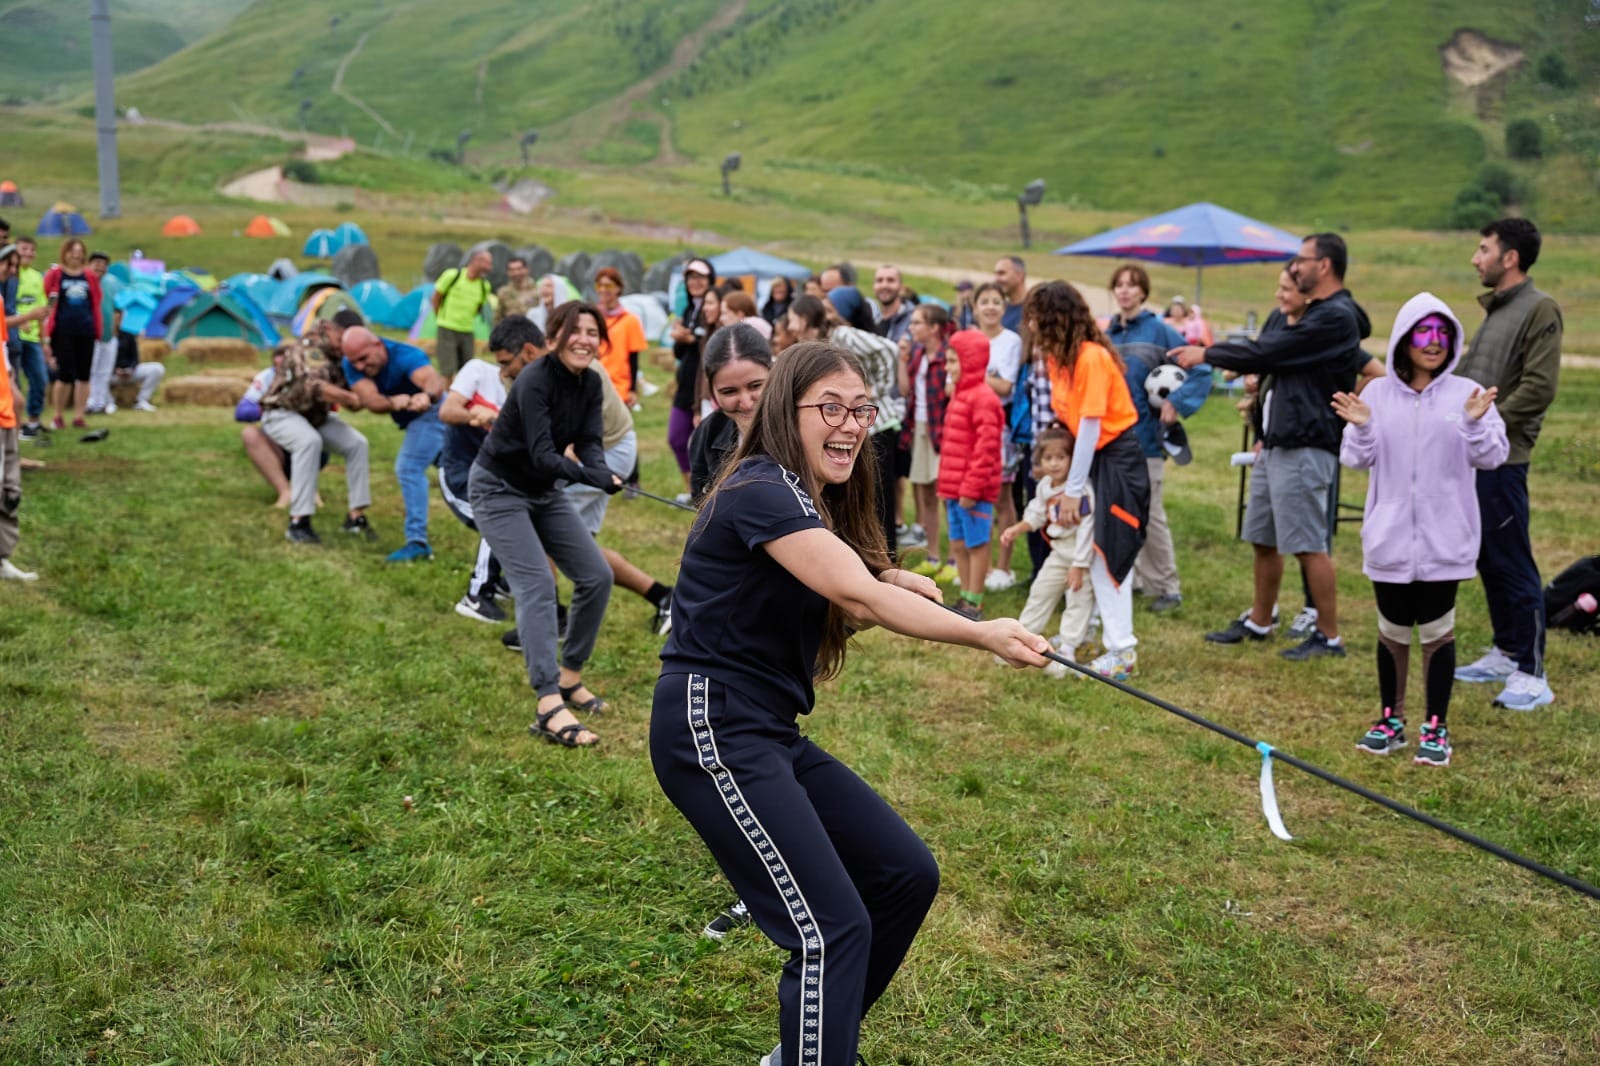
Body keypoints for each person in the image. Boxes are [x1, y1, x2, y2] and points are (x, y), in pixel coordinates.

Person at [650, 340, 1049, 1066]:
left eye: (861, 409)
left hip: (763, 729)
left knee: (903, 875)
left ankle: (808, 1048)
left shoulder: (803, 498)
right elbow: (852, 591)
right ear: (786, 409)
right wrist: (982, 631)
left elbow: (851, 586)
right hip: (710, 724)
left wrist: (890, 580)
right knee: (831, 930)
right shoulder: (761, 487)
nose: (850, 424)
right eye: (829, 407)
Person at [1177, 233, 1369, 661]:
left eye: (1302, 260)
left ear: (1323, 266)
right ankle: (1260, 621)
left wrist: (1207, 353)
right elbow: (1274, 357)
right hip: (1276, 445)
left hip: (1307, 445)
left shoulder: (1335, 318)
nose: (1294, 266)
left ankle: (1329, 636)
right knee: (1263, 537)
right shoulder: (1303, 316)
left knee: (1307, 542)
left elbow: (1271, 351)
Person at [1336, 294, 1508, 766]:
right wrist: (1365, 428)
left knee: (1437, 631)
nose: (1433, 342)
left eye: (1442, 333)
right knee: (1392, 629)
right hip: (1389, 537)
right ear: (1403, 339)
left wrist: (1474, 425)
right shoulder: (1376, 394)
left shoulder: (1466, 394)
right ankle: (1390, 720)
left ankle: (1436, 727)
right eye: (1422, 332)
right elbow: (1353, 458)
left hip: (1445, 538)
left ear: (1452, 339)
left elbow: (1492, 456)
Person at [469, 301, 622, 749]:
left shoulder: (591, 382)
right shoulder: (534, 379)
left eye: (593, 332)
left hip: (544, 491)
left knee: (596, 576)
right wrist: (589, 474)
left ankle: (569, 675)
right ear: (554, 337)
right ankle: (547, 702)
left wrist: (602, 469)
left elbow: (590, 442)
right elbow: (541, 454)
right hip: (498, 488)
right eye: (575, 330)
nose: (584, 339)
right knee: (536, 584)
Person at [1452, 218, 1563, 711]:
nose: (1476, 259)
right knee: (1487, 556)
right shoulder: (1497, 310)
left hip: (1504, 456)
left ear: (1509, 257)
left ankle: (1532, 674)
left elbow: (1538, 388)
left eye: (1483, 249)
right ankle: (1505, 650)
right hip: (1475, 456)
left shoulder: (1540, 309)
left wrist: (1486, 424)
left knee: (1513, 561)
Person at [1031, 280, 1150, 680]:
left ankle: (1123, 651)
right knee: (1095, 549)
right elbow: (1068, 424)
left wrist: (1073, 491)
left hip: (1116, 458)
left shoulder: (1092, 357)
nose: (1031, 324)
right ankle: (1100, 633)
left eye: (1037, 317)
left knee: (1107, 550)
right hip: (1091, 458)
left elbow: (1090, 427)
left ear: (1056, 320)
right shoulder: (1057, 358)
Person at [1105, 263, 1211, 613]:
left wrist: (1176, 403)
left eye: (1132, 285)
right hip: (1112, 442)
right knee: (1121, 513)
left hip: (1146, 442)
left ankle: (1167, 587)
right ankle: (1132, 579)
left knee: (1150, 515)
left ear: (1143, 292)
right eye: (1119, 285)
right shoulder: (1109, 335)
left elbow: (1201, 369)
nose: (1124, 291)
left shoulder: (1160, 331)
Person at [439, 318, 544, 623]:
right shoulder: (477, 371)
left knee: (523, 521)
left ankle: (500, 583)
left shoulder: (529, 390)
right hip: (460, 476)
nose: (503, 371)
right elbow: (447, 410)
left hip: (499, 479)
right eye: (499, 363)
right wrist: (477, 415)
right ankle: (476, 595)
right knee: (498, 522)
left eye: (507, 363)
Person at [789, 293, 905, 561]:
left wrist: (873, 390)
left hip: (874, 427)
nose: (790, 325)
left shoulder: (841, 336)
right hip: (844, 428)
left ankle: (884, 563)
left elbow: (889, 349)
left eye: (793, 319)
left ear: (805, 318)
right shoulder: (813, 346)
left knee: (877, 503)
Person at [341, 326, 450, 562]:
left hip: (433, 412)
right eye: (354, 362)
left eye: (363, 359)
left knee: (409, 467)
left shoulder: (406, 355)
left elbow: (433, 381)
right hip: (413, 420)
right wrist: (391, 402)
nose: (359, 367)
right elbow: (370, 400)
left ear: (378, 345)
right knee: (455, 470)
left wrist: (426, 396)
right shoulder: (350, 364)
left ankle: (417, 542)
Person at [1000, 426, 1097, 676]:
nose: (1054, 464)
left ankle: (1067, 651)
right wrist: (1017, 529)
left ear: (1072, 459)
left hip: (1080, 556)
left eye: (1061, 458)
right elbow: (1036, 512)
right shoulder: (1045, 486)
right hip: (1059, 553)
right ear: (1040, 461)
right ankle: (1020, 641)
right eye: (1048, 458)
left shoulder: (1081, 489)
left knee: (1078, 600)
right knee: (1040, 591)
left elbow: (1088, 527)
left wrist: (1079, 565)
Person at [260, 338, 374, 545]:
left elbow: (358, 399)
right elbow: (316, 386)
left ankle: (356, 517)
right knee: (308, 441)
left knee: (357, 444)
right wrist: (350, 398)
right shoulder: (311, 349)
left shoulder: (345, 358)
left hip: (316, 417)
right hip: (281, 413)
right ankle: (299, 522)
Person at [936, 330, 1004, 617]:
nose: (947, 368)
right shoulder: (961, 394)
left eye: (953, 361)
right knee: (958, 543)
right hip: (954, 488)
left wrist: (971, 489)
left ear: (972, 361)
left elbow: (986, 449)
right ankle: (964, 596)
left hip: (972, 491)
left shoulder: (984, 398)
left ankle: (974, 601)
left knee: (977, 544)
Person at [969, 281, 1026, 592]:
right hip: (969, 426)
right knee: (975, 496)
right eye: (984, 301)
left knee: (1002, 497)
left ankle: (1003, 567)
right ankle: (983, 564)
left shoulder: (1011, 341)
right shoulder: (966, 338)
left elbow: (1005, 387)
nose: (990, 307)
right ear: (975, 307)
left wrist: (974, 377)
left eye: (996, 301)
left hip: (998, 425)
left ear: (1004, 308)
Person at [897, 303, 954, 582]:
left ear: (933, 328)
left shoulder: (947, 357)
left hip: (941, 431)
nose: (912, 327)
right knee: (926, 493)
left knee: (947, 497)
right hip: (919, 428)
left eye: (917, 323)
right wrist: (902, 360)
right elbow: (906, 391)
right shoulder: (918, 354)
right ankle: (933, 556)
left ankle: (954, 560)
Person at [687, 323, 772, 502]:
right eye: (729, 392)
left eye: (756, 386)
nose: (746, 403)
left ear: (774, 373)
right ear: (711, 390)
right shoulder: (707, 433)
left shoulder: (805, 426)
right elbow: (700, 500)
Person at [0, 244, 36, 581]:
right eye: (6, 265)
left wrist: (11, 383)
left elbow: (2, 350)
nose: (11, 272)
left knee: (9, 488)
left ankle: (2, 559)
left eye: (13, 266)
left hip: (5, 411)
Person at [41, 237, 102, 430]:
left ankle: (79, 415)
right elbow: (49, 299)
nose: (76, 256)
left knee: (84, 374)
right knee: (65, 374)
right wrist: (47, 332)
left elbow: (96, 301)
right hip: (63, 331)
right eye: (72, 252)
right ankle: (58, 415)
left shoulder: (89, 276)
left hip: (86, 330)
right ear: (65, 253)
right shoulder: (55, 274)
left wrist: (96, 329)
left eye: (79, 253)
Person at [667, 257, 717, 493]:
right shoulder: (688, 309)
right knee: (676, 438)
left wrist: (691, 339)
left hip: (704, 388)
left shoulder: (712, 310)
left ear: (710, 279)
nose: (695, 282)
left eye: (700, 277)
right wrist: (680, 339)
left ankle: (704, 491)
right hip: (685, 385)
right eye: (691, 277)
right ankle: (692, 491)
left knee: (704, 444)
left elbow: (711, 347)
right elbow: (680, 352)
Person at [431, 249, 494, 377]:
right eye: (487, 263)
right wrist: (441, 318)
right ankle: (445, 396)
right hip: (447, 328)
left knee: (466, 369)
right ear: (476, 261)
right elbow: (436, 298)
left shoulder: (484, 286)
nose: (489, 268)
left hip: (467, 330)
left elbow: (479, 307)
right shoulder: (452, 276)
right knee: (447, 370)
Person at [592, 267, 648, 405]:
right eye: (600, 285)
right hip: (592, 383)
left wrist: (633, 390)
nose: (603, 289)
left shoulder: (630, 320)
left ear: (618, 288)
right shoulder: (591, 317)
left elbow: (633, 359)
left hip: (619, 389)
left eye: (608, 285)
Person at [12, 237, 49, 441]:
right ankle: (13, 427)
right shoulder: (10, 275)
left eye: (32, 249)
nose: (29, 253)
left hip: (33, 338)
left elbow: (42, 311)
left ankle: (33, 422)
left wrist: (45, 342)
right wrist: (21, 319)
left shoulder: (37, 277)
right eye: (24, 248)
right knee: (14, 383)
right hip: (12, 336)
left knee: (40, 379)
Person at [85, 251, 121, 414]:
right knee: (90, 369)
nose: (100, 266)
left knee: (104, 371)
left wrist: (115, 329)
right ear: (89, 264)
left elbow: (118, 307)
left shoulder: (112, 283)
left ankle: (100, 402)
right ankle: (88, 401)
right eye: (97, 262)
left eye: (104, 264)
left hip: (108, 334)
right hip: (90, 334)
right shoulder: (84, 281)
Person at [109, 327, 166, 413]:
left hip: (129, 372)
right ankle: (108, 402)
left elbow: (135, 358)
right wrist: (114, 370)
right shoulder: (101, 338)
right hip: (110, 374)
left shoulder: (128, 336)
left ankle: (142, 400)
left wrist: (130, 369)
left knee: (157, 368)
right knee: (93, 377)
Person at [872, 264, 915, 343]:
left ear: (901, 286)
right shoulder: (872, 318)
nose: (884, 285)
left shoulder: (913, 320)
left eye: (890, 280)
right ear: (873, 286)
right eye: (879, 280)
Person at [494, 255, 538, 323]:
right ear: (508, 272)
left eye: (519, 269)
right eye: (512, 270)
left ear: (527, 269)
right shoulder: (504, 293)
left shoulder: (538, 291)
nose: (516, 273)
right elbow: (498, 317)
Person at [994, 255, 1027, 332]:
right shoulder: (999, 310)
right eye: (996, 274)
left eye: (1002, 273)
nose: (996, 279)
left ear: (1019, 275)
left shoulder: (1033, 310)